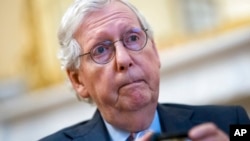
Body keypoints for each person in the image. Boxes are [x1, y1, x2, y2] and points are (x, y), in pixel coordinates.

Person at [40, 0, 250, 141]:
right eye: (101, 49)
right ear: (78, 80)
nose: (123, 59)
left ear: (155, 51)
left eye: (132, 38)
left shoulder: (232, 123)